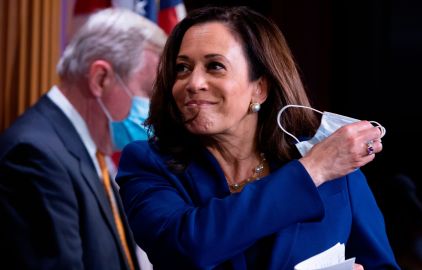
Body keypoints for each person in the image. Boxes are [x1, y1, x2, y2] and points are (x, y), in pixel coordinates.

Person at [116, 6, 400, 270]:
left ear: (260, 88)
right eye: (182, 68)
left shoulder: (338, 171)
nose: (193, 83)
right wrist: (312, 170)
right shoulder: (147, 163)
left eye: (214, 66)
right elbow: (186, 247)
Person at [0, 8, 165, 270]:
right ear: (100, 79)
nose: (157, 112)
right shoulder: (34, 156)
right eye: (149, 93)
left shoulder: (89, 152)